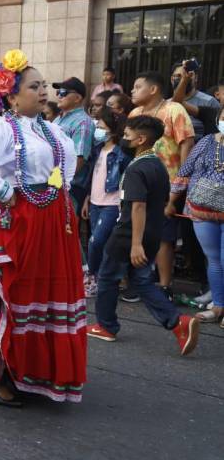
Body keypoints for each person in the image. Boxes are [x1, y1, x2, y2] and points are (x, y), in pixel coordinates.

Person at [0, 49, 87, 407]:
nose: (43, 91)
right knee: (10, 291)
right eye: (34, 86)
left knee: (39, 294)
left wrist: (57, 193)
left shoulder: (52, 130)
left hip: (50, 220)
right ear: (11, 95)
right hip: (15, 220)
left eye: (44, 85)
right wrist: (3, 191)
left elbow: (69, 165)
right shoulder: (0, 129)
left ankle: (33, 367)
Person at [87, 116, 199, 355]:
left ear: (141, 139)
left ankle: (106, 326)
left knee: (107, 278)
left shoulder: (138, 167)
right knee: (141, 281)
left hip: (129, 235)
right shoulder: (157, 164)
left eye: (127, 134)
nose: (124, 138)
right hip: (150, 233)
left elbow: (137, 206)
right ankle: (178, 322)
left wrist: (135, 244)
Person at [129, 71, 194, 295]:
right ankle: (138, 282)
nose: (132, 91)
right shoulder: (135, 113)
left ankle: (165, 286)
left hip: (168, 185)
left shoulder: (174, 109)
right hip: (138, 182)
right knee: (137, 231)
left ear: (154, 89)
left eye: (138, 87)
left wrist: (179, 185)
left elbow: (186, 145)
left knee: (164, 238)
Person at [168, 105, 224, 327]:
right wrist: (172, 200)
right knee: (214, 259)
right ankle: (218, 305)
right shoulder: (207, 141)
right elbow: (185, 170)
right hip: (201, 209)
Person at [80, 107, 130, 296]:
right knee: (100, 242)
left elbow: (126, 180)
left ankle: (92, 277)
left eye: (101, 126)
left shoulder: (122, 154)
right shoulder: (97, 150)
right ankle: (104, 281)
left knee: (96, 241)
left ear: (113, 130)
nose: (97, 130)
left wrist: (123, 205)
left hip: (112, 204)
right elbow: (93, 177)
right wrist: (87, 200)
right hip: (94, 203)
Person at [52, 77, 94, 210]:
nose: (59, 96)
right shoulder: (58, 119)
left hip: (69, 187)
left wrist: (59, 183)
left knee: (66, 227)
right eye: (58, 92)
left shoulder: (83, 122)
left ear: (77, 98)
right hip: (52, 183)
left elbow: (79, 158)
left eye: (64, 92)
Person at [171, 60, 220, 140]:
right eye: (178, 76)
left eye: (187, 75)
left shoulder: (209, 102)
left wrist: (185, 79)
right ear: (172, 79)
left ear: (196, 78)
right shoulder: (166, 104)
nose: (183, 77)